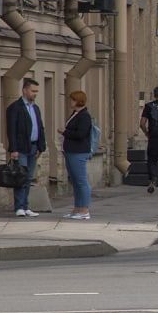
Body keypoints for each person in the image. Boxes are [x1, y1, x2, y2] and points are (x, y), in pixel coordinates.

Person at [5, 78, 46, 217]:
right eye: (33, 91)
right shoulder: (15, 108)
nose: (35, 94)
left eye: (36, 91)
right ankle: (19, 207)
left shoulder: (35, 108)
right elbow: (11, 130)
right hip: (21, 148)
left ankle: (26, 206)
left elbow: (40, 127)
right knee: (20, 177)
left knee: (28, 178)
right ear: (24, 90)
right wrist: (13, 149)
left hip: (33, 147)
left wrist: (41, 146)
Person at [59, 90, 93, 220]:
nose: (70, 102)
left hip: (78, 152)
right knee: (75, 181)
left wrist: (64, 132)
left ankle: (84, 209)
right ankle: (77, 208)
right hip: (70, 151)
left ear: (78, 101)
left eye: (72, 100)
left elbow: (80, 134)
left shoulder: (84, 116)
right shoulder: (75, 113)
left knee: (81, 181)